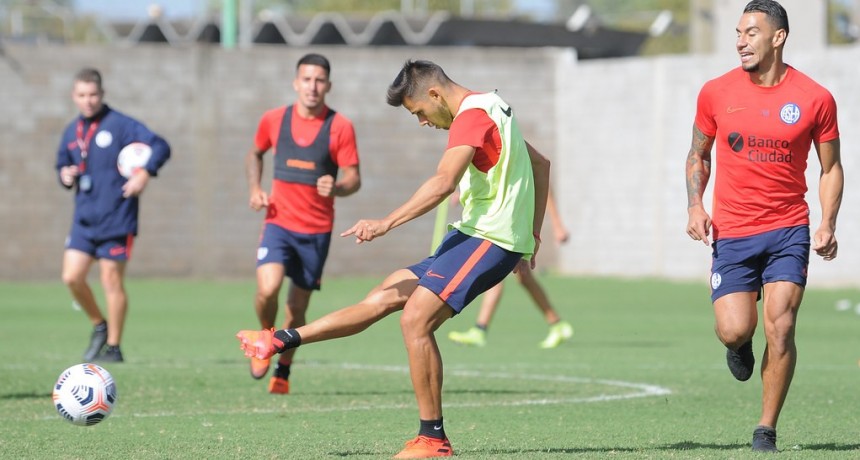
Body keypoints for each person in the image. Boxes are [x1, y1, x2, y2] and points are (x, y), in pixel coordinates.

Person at [237, 59, 551, 458]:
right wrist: (532, 234)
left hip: (491, 240)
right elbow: (541, 165)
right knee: (383, 295)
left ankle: (433, 439)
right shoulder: (493, 107)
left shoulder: (470, 118)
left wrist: (386, 223)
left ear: (435, 94)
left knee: (415, 320)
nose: (422, 122)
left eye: (419, 112)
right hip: (475, 236)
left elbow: (443, 183)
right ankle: (280, 339)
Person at [685, 1, 843, 452]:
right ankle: (738, 345)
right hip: (733, 231)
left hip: (788, 230)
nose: (740, 41)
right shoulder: (715, 92)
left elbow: (831, 168)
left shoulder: (815, 98)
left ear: (778, 37)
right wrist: (695, 206)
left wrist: (827, 223)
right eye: (738, 33)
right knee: (735, 329)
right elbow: (698, 153)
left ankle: (765, 429)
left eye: (751, 33)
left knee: (782, 327)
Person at [244, 53, 361, 394]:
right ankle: (266, 336)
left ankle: (283, 370)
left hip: (316, 231)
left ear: (329, 86)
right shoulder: (274, 120)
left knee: (296, 309)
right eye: (307, 79)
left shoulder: (340, 127)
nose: (313, 86)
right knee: (267, 290)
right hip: (278, 224)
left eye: (319, 80)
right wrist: (255, 188)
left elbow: (354, 178)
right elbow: (254, 153)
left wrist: (337, 187)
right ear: (296, 83)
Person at [56, 67, 171, 363]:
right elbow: (62, 164)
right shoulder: (71, 131)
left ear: (102, 94)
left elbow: (161, 146)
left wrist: (144, 173)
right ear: (74, 96)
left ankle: (114, 347)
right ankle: (99, 324)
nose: (88, 100)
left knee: (110, 280)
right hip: (84, 220)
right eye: (82, 95)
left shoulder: (121, 125)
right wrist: (65, 175)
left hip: (117, 218)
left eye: (93, 94)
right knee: (71, 277)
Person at [448, 189, 573, 348]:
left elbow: (545, 186)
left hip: (516, 220)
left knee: (495, 270)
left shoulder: (523, 172)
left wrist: (557, 224)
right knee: (522, 276)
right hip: (504, 220)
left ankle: (480, 329)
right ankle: (557, 324)